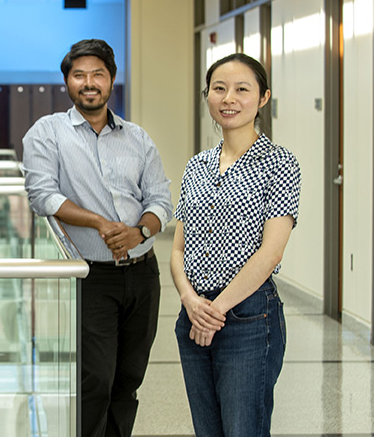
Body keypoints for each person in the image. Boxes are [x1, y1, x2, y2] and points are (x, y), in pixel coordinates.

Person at [22, 39, 173, 437]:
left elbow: (160, 199)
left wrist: (139, 230)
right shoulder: (48, 133)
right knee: (96, 380)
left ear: (111, 81)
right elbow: (42, 194)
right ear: (67, 83)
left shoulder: (137, 138)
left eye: (97, 75)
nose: (89, 83)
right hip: (91, 277)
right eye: (79, 76)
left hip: (143, 274)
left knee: (129, 379)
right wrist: (100, 224)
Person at [171, 53, 301, 436]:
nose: (229, 98)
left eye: (242, 89)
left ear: (263, 98)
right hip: (193, 314)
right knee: (207, 430)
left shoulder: (280, 163)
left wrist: (216, 310)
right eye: (219, 89)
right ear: (207, 96)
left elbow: (271, 252)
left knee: (244, 429)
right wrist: (191, 302)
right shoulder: (197, 165)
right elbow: (179, 248)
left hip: (247, 316)